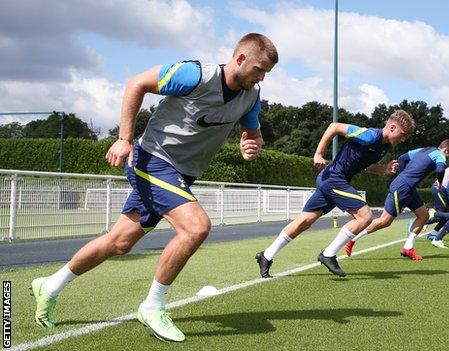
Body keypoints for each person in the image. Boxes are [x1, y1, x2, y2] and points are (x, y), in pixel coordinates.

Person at [29, 33, 278, 342]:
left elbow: (251, 133)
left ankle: (49, 286)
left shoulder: (251, 96)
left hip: (182, 175)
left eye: (266, 73)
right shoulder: (195, 75)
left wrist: (251, 145)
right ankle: (153, 305)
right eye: (259, 69)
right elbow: (137, 83)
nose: (261, 78)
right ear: (240, 59)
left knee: (119, 242)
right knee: (196, 227)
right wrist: (124, 138)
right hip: (151, 160)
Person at [256, 110, 415, 278]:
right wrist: (318, 153)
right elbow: (335, 127)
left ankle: (266, 255)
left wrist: (383, 169)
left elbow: (367, 166)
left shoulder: (384, 147)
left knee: (304, 221)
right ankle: (329, 254)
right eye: (402, 134)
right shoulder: (370, 136)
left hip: (333, 181)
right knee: (365, 217)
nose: (403, 139)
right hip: (333, 178)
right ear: (391, 127)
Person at [343, 139, 449, 260]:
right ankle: (352, 239)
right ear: (446, 150)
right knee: (384, 221)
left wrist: (403, 175)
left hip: (408, 188)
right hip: (403, 188)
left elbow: (402, 158)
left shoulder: (424, 149)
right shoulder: (440, 154)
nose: (447, 157)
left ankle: (408, 248)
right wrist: (440, 182)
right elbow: (440, 169)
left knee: (424, 215)